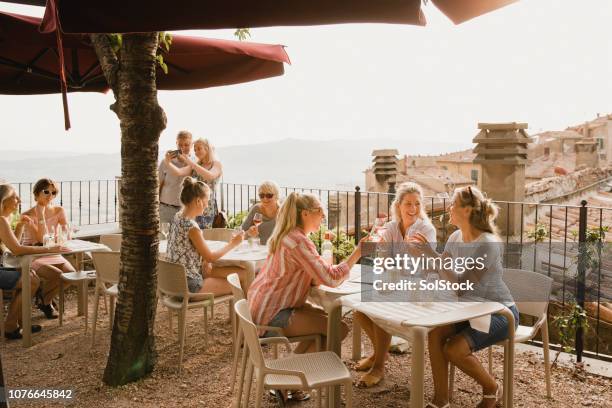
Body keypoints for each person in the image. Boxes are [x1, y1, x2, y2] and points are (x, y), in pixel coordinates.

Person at [409, 186, 518, 408]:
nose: (449, 208)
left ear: (467, 211)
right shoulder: (455, 236)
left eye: (453, 204)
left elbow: (461, 286)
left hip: (499, 313)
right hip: (467, 310)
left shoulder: (488, 244)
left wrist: (432, 254)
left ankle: (491, 388)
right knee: (435, 334)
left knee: (454, 349)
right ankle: (440, 400)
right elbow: (445, 272)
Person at [353, 181, 437, 387]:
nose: (413, 209)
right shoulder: (390, 227)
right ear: (398, 206)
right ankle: (379, 353)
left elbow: (426, 267)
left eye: (417, 204)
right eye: (408, 204)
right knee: (359, 311)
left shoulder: (425, 229)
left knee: (380, 310)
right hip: (395, 283)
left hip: (420, 288)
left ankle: (379, 366)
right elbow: (383, 261)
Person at [0, 184, 67, 340]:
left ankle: (17, 324)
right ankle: (11, 326)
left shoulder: (4, 220)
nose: (19, 200)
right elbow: (17, 250)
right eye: (15, 197)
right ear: (4, 200)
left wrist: (21, 225)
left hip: (3, 266)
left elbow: (12, 245)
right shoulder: (1, 220)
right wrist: (48, 249)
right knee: (30, 279)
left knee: (31, 277)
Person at [165, 177, 244, 296]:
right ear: (198, 201)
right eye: (207, 200)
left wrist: (206, 261)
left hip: (173, 282)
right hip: (189, 286)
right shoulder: (192, 227)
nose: (207, 205)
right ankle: (249, 313)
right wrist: (233, 244)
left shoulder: (178, 217)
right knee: (239, 281)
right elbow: (211, 257)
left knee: (234, 273)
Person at [19, 179, 76, 319]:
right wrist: (41, 214)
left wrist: (67, 232)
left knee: (71, 275)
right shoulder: (27, 214)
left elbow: (66, 231)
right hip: (34, 253)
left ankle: (44, 299)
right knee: (58, 275)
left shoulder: (59, 210)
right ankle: (47, 302)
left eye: (53, 192)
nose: (50, 195)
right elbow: (41, 239)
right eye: (46, 191)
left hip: (52, 251)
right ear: (37, 193)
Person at [164, 138, 222, 229]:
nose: (196, 152)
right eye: (195, 150)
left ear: (207, 149)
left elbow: (210, 176)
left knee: (203, 235)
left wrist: (190, 162)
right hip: (192, 206)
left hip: (206, 207)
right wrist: (167, 163)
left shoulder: (216, 164)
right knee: (191, 234)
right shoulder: (195, 164)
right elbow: (179, 172)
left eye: (199, 148)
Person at [158, 130, 193, 224]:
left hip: (184, 209)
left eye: (186, 145)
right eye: (180, 145)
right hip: (165, 207)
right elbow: (158, 183)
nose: (183, 148)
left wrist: (185, 161)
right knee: (162, 238)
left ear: (191, 145)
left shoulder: (194, 162)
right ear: (176, 143)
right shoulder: (165, 161)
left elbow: (193, 181)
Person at [240, 181, 280, 245]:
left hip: (275, 249)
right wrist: (248, 233)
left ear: (277, 196)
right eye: (261, 195)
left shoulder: (282, 212)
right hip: (257, 249)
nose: (265, 199)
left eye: (269, 195)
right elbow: (241, 233)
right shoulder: (256, 209)